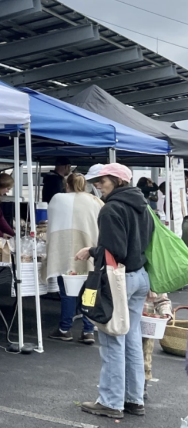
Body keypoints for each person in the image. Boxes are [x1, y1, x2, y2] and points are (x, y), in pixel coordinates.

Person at [75, 163, 152, 419]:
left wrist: (93, 250)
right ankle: (134, 399)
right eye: (96, 180)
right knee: (131, 340)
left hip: (118, 278)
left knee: (112, 340)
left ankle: (110, 401)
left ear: (117, 180)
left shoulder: (111, 209)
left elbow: (113, 251)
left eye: (103, 180)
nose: (98, 184)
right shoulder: (143, 205)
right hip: (140, 276)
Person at [46, 172, 103, 344]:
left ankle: (65, 329)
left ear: (67, 184)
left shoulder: (57, 198)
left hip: (64, 252)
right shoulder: (95, 201)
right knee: (89, 291)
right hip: (90, 250)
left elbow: (51, 222)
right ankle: (88, 330)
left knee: (67, 293)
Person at [142, 291, 172, 399]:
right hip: (130, 320)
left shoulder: (155, 281)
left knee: (146, 353)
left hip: (148, 323)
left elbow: (163, 300)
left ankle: (142, 386)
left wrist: (165, 313)